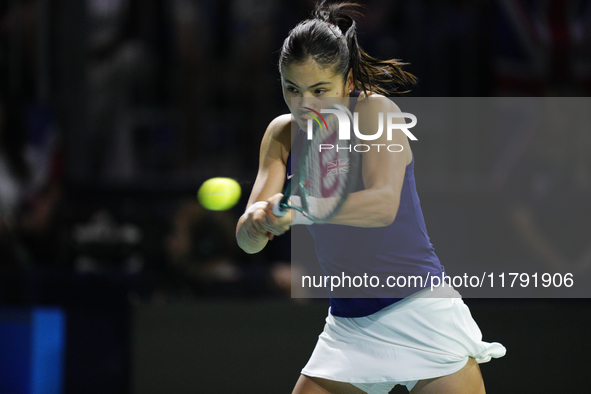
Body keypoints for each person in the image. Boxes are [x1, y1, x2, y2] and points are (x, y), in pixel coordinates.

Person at [235, 2, 505, 393]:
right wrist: (257, 222)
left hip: (418, 309)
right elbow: (247, 243)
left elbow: (382, 206)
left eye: (319, 90)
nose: (305, 105)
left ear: (346, 82)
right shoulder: (281, 134)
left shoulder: (377, 112)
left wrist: (298, 211)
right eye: (292, 89)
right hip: (348, 326)